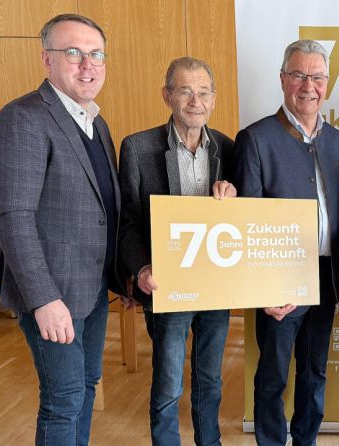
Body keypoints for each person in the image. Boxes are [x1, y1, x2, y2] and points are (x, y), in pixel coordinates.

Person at [0, 13, 122, 445]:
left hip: (93, 286)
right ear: (47, 58)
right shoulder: (23, 118)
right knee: (63, 398)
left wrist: (119, 277)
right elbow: (12, 216)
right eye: (74, 53)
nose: (88, 64)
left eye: (96, 54)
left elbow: (103, 209)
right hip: (52, 293)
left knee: (85, 385)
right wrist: (44, 299)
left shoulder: (95, 121)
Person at [231, 39, 339, 446]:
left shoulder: (334, 139)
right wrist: (263, 287)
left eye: (317, 77)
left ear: (327, 83)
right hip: (278, 280)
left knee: (315, 372)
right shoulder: (255, 138)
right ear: (283, 79)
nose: (308, 86)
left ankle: (306, 440)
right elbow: (246, 221)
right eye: (298, 75)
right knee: (273, 376)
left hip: (325, 276)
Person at [117, 56, 236, 446]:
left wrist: (234, 196)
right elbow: (128, 222)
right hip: (168, 285)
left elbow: (244, 217)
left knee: (210, 379)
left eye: (203, 92)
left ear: (214, 98)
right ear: (166, 96)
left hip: (216, 286)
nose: (195, 101)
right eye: (185, 91)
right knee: (168, 383)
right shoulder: (137, 148)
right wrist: (140, 268)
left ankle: (209, 441)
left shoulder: (228, 148)